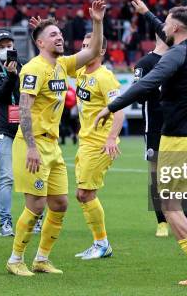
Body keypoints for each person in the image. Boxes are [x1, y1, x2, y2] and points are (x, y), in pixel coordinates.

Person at [95, 0, 187, 286]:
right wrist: (148, 14)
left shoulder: (175, 55)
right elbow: (168, 33)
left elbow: (147, 82)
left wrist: (112, 106)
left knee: (169, 205)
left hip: (176, 140)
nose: (164, 26)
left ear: (175, 28)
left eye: (167, 22)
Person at [5, 0, 106, 277]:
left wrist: (97, 21)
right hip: (32, 144)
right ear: (40, 43)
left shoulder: (63, 65)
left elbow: (95, 51)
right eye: (53, 35)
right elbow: (24, 108)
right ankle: (15, 259)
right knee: (35, 206)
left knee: (60, 203)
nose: (60, 37)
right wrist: (32, 148)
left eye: (60, 35)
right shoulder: (34, 69)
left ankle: (41, 258)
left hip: (53, 145)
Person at [133, 33, 187, 239]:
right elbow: (138, 95)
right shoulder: (145, 63)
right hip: (156, 126)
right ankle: (162, 222)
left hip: (180, 126)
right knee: (156, 175)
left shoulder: (181, 57)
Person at [72, 32, 124, 260]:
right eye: (82, 46)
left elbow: (120, 109)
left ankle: (102, 244)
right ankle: (99, 243)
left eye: (89, 46)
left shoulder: (105, 77)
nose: (84, 50)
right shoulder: (81, 71)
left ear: (101, 51)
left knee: (85, 193)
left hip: (100, 144)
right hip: (85, 142)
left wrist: (111, 138)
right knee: (82, 194)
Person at [0, 30, 30, 237]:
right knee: (6, 177)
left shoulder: (25, 65)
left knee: (31, 175)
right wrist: (11, 77)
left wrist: (18, 74)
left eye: (9, 45)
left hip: (26, 129)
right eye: (2, 46)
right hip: (5, 128)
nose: (7, 49)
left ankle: (35, 218)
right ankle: (5, 222)